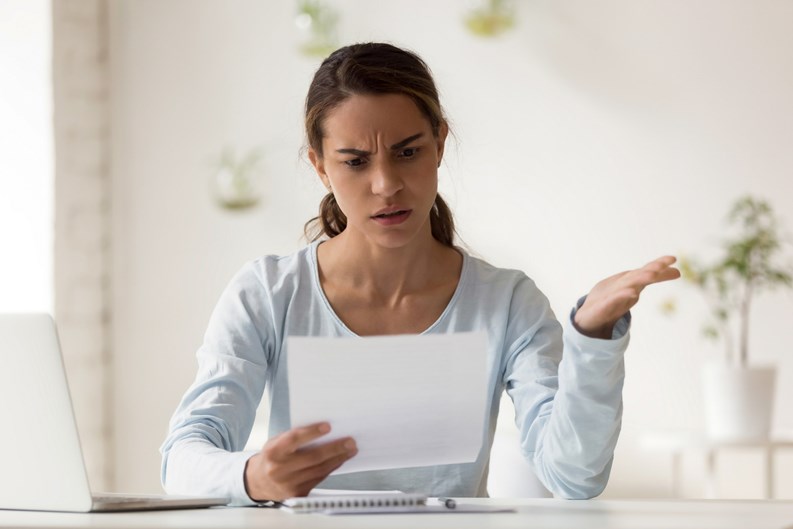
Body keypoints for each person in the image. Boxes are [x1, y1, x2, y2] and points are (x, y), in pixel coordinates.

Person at [160, 42, 680, 505]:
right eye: (356, 162)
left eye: (408, 152)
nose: (387, 184)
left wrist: (592, 339)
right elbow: (181, 459)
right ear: (320, 166)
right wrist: (253, 477)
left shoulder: (506, 302)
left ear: (439, 143)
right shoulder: (267, 294)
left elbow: (573, 476)